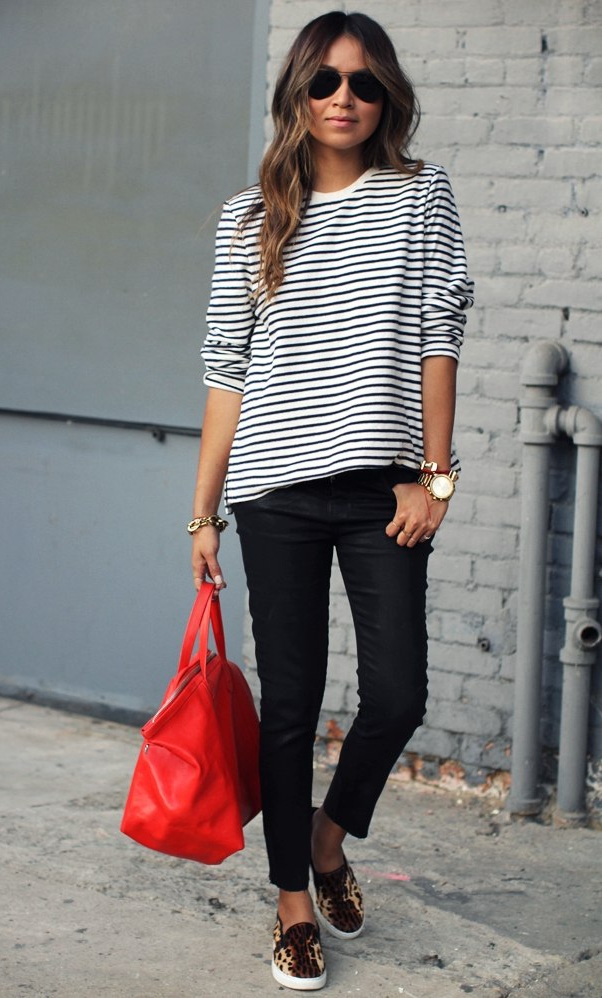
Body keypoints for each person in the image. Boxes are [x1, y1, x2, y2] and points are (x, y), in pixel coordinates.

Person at [189, 10, 474, 991]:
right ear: (296, 94)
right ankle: (292, 903)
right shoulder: (248, 215)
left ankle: (326, 836)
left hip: (379, 492)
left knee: (397, 694)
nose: (343, 98)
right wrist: (204, 513)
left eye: (362, 83)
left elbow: (439, 334)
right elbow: (226, 371)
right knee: (289, 708)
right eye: (324, 81)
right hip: (274, 492)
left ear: (386, 96)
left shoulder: (421, 194)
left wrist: (436, 476)